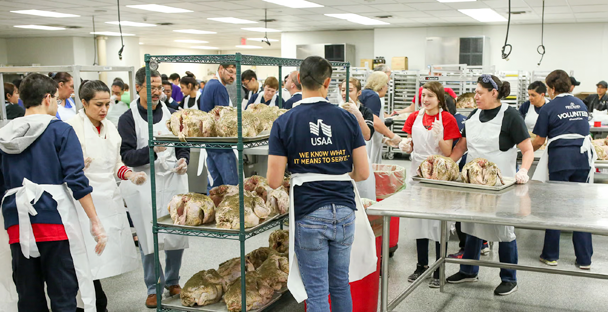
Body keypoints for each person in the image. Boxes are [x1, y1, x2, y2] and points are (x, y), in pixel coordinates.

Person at [267, 56, 371, 312]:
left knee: (316, 291)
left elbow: (274, 180)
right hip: (345, 210)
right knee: (340, 284)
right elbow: (363, 173)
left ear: (299, 80)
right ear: (328, 82)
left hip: (309, 210)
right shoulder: (347, 119)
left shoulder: (284, 122)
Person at [0, 73, 107, 311]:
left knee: (28, 294)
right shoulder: (60, 130)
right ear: (48, 98)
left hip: (16, 223)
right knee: (62, 291)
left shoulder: (4, 135)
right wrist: (94, 220)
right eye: (57, 100)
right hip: (54, 221)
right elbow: (76, 180)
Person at [447, 74, 534, 296]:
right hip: (474, 183)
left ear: (493, 93)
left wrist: (522, 171)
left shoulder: (510, 116)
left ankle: (509, 277)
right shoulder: (474, 115)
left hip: (500, 185)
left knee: (504, 230)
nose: (474, 97)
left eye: (479, 92)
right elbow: (461, 147)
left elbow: (527, 149)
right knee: (472, 226)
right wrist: (445, 165)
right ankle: (468, 271)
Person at [66, 80, 144, 312]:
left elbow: (116, 164)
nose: (104, 109)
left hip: (108, 196)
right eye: (98, 104)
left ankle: (96, 300)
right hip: (83, 198)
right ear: (83, 103)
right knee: (86, 255)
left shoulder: (110, 127)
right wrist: (77, 165)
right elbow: (64, 168)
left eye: (107, 104)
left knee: (106, 257)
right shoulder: (71, 127)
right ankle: (90, 303)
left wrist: (130, 175)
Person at [117, 67, 190, 308]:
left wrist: (183, 159)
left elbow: (183, 144)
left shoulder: (174, 113)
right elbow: (126, 155)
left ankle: (172, 279)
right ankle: (153, 286)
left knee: (176, 234)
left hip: (172, 180)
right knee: (148, 238)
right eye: (152, 88)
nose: (157, 92)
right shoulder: (128, 119)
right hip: (144, 183)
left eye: (160, 87)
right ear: (138, 88)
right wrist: (152, 151)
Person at [397, 81, 461, 288]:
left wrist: (439, 136)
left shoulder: (448, 119)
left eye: (430, 96)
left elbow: (448, 153)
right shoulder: (414, 117)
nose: (425, 99)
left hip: (438, 175)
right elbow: (410, 145)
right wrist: (406, 146)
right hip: (417, 172)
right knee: (419, 221)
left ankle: (439, 267)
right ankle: (421, 265)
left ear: (439, 99)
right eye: (423, 95)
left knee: (437, 223)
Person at [531, 70, 595, 270]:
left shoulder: (549, 108)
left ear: (550, 89)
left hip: (561, 159)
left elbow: (539, 140)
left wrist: (523, 148)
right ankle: (584, 259)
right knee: (579, 209)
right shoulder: (581, 104)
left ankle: (550, 255)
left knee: (556, 207)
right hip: (583, 159)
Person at [199, 63, 238, 193]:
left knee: (215, 187)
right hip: (222, 147)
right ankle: (233, 213)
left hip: (211, 145)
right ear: (221, 69)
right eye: (230, 72)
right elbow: (223, 120)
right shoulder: (218, 87)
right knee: (231, 188)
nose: (233, 76)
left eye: (235, 74)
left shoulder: (209, 85)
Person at [341, 78, 376, 200]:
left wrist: (358, 116)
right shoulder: (336, 111)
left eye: (349, 90)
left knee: (362, 198)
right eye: (343, 90)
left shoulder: (366, 112)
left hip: (360, 160)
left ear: (359, 93)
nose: (345, 93)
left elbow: (367, 135)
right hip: (341, 159)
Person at [359, 71, 401, 163]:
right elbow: (373, 120)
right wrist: (393, 136)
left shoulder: (365, 94)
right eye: (387, 84)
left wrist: (384, 139)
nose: (387, 87)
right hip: (368, 142)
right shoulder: (373, 96)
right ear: (381, 85)